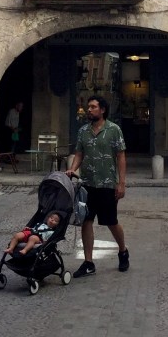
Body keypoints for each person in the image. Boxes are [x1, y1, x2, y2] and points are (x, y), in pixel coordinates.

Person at [66, 95, 129, 277]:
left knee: (111, 221)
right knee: (86, 221)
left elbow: (121, 156)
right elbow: (79, 153)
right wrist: (72, 169)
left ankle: (123, 251)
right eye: (89, 106)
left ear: (102, 110)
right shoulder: (83, 131)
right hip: (87, 184)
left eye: (93, 107)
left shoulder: (114, 130)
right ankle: (88, 262)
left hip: (107, 184)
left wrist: (121, 183)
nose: (89, 109)